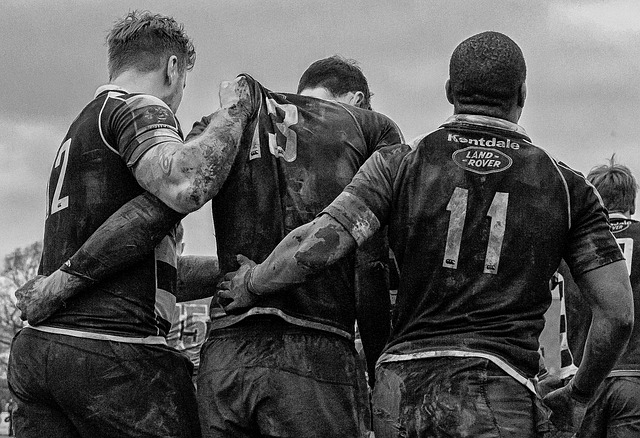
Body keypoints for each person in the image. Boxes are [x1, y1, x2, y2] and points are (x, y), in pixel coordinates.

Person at [218, 31, 634, 437]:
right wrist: (580, 394)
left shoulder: (397, 164)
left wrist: (252, 282)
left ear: (450, 91)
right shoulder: (568, 188)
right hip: (497, 390)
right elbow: (617, 314)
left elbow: (320, 243)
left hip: (402, 391)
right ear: (522, 95)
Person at [15, 56, 403, 437]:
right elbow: (371, 267)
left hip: (225, 356)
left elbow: (154, 215)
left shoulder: (223, 123)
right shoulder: (371, 127)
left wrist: (59, 283)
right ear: (358, 99)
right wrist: (377, 369)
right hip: (315, 353)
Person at [9, 11, 254, 438]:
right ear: (172, 68)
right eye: (183, 83)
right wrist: (234, 111)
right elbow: (187, 183)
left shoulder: (81, 128)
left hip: (40, 352)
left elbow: (133, 260)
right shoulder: (138, 106)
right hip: (112, 351)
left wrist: (235, 271)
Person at [560, 156, 640, 438]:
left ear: (595, 201)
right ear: (632, 203)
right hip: (635, 378)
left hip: (583, 379)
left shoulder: (572, 244)